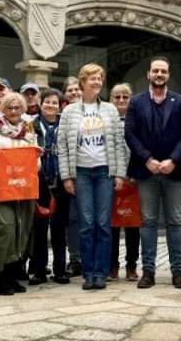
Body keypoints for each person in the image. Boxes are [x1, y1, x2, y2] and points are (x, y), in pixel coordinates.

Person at [124, 56, 181, 289]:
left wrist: (173, 160)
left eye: (163, 71)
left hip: (174, 170)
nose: (159, 75)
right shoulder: (136, 102)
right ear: (148, 74)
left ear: (168, 75)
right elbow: (130, 134)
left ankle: (177, 272)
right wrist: (147, 159)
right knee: (148, 222)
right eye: (155, 71)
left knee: (175, 221)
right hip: (146, 171)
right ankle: (148, 272)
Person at [58, 64, 127, 290]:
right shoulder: (69, 112)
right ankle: (88, 272)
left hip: (104, 172)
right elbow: (62, 145)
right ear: (82, 82)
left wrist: (119, 173)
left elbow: (118, 143)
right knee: (86, 223)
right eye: (92, 79)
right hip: (82, 173)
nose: (96, 82)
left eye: (99, 79)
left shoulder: (109, 110)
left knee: (103, 224)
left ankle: (101, 272)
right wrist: (67, 176)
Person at [0, 92, 42, 296]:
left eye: (17, 108)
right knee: (3, 231)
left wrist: (36, 158)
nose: (13, 111)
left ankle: (12, 276)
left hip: (21, 190)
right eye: (9, 107)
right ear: (2, 109)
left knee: (20, 233)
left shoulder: (29, 132)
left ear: (23, 110)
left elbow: (35, 165)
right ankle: (1, 279)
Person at [30, 88, 72, 285]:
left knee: (59, 228)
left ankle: (60, 269)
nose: (51, 105)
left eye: (55, 102)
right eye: (47, 101)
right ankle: (38, 270)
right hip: (38, 182)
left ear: (60, 105)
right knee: (39, 229)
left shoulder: (66, 126)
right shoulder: (31, 126)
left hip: (61, 181)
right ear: (41, 103)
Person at [107, 83, 140, 282]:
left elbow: (140, 149)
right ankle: (112, 266)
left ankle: (132, 265)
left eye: (125, 97)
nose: (120, 101)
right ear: (111, 100)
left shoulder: (137, 121)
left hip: (133, 178)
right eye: (117, 97)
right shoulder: (106, 120)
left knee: (133, 224)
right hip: (111, 179)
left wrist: (135, 174)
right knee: (112, 226)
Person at [62, 75, 83, 276]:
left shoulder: (91, 112)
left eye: (77, 89)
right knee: (73, 219)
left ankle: (89, 258)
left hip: (91, 172)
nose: (75, 92)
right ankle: (75, 259)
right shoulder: (63, 116)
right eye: (70, 90)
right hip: (72, 174)